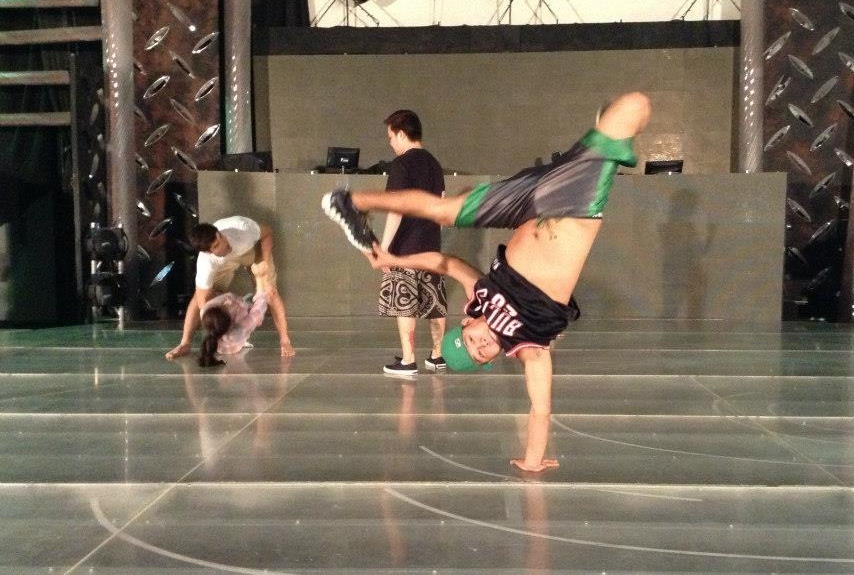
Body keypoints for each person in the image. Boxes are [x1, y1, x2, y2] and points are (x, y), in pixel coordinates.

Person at [321, 91, 651, 472]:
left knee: (445, 212)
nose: (480, 342)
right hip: (572, 206)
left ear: (468, 321)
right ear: (492, 360)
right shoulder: (529, 347)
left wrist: (395, 259)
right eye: (480, 352)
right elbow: (540, 408)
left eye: (470, 339)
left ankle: (350, 202)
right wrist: (532, 460)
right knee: (637, 104)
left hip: (523, 205)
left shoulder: (480, 296)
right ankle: (605, 130)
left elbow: (446, 263)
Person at [165, 215, 295, 360]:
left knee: (270, 292)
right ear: (208, 252)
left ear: (218, 234)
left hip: (252, 250)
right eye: (214, 249)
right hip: (224, 263)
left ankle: (285, 341)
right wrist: (225, 329)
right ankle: (185, 343)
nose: (220, 249)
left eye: (218, 243)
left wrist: (264, 261)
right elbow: (204, 305)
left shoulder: (243, 229)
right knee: (200, 298)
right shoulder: (207, 263)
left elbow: (267, 232)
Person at [378, 109, 447, 376]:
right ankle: (437, 356)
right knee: (434, 302)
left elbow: (396, 209)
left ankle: (408, 360)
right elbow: (442, 204)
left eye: (391, 137)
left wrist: (385, 249)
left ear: (401, 133)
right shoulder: (434, 164)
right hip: (431, 245)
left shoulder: (401, 164)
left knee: (404, 302)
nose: (390, 143)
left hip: (405, 247)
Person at [196, 289, 273, 367]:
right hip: (234, 343)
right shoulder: (241, 328)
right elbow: (258, 312)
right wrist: (262, 295)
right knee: (253, 314)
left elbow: (228, 295)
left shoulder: (206, 310)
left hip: (229, 327)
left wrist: (238, 301)